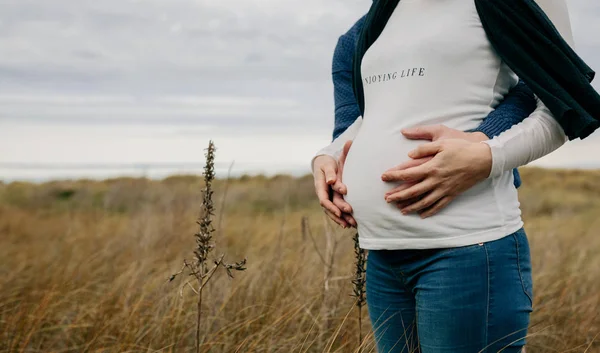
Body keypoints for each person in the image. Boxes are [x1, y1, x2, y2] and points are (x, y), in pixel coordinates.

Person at [310, 0, 584, 352]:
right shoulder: (385, 12)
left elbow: (558, 106)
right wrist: (327, 155)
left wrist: (485, 156)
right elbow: (379, 114)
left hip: (466, 248)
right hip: (383, 256)